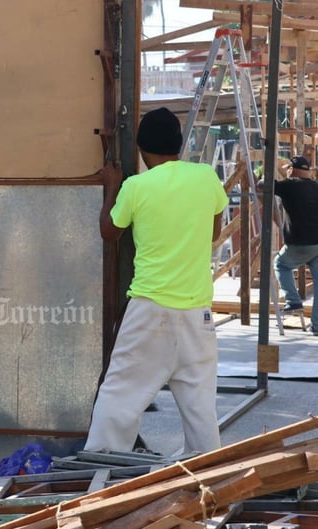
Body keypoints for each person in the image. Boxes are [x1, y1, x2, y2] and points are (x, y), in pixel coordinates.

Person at [84, 107, 229, 455]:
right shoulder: (206, 177)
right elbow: (213, 231)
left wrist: (112, 187)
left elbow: (109, 232)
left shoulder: (136, 186)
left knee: (120, 396)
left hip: (151, 310)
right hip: (198, 314)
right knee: (200, 407)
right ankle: (209, 479)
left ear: (142, 149)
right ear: (178, 145)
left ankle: (98, 473)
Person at [263, 156, 318, 333]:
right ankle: (317, 326)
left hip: (299, 243)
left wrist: (264, 177)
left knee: (280, 264)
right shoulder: (316, 187)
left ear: (292, 169)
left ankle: (293, 300)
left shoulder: (289, 185)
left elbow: (263, 186)